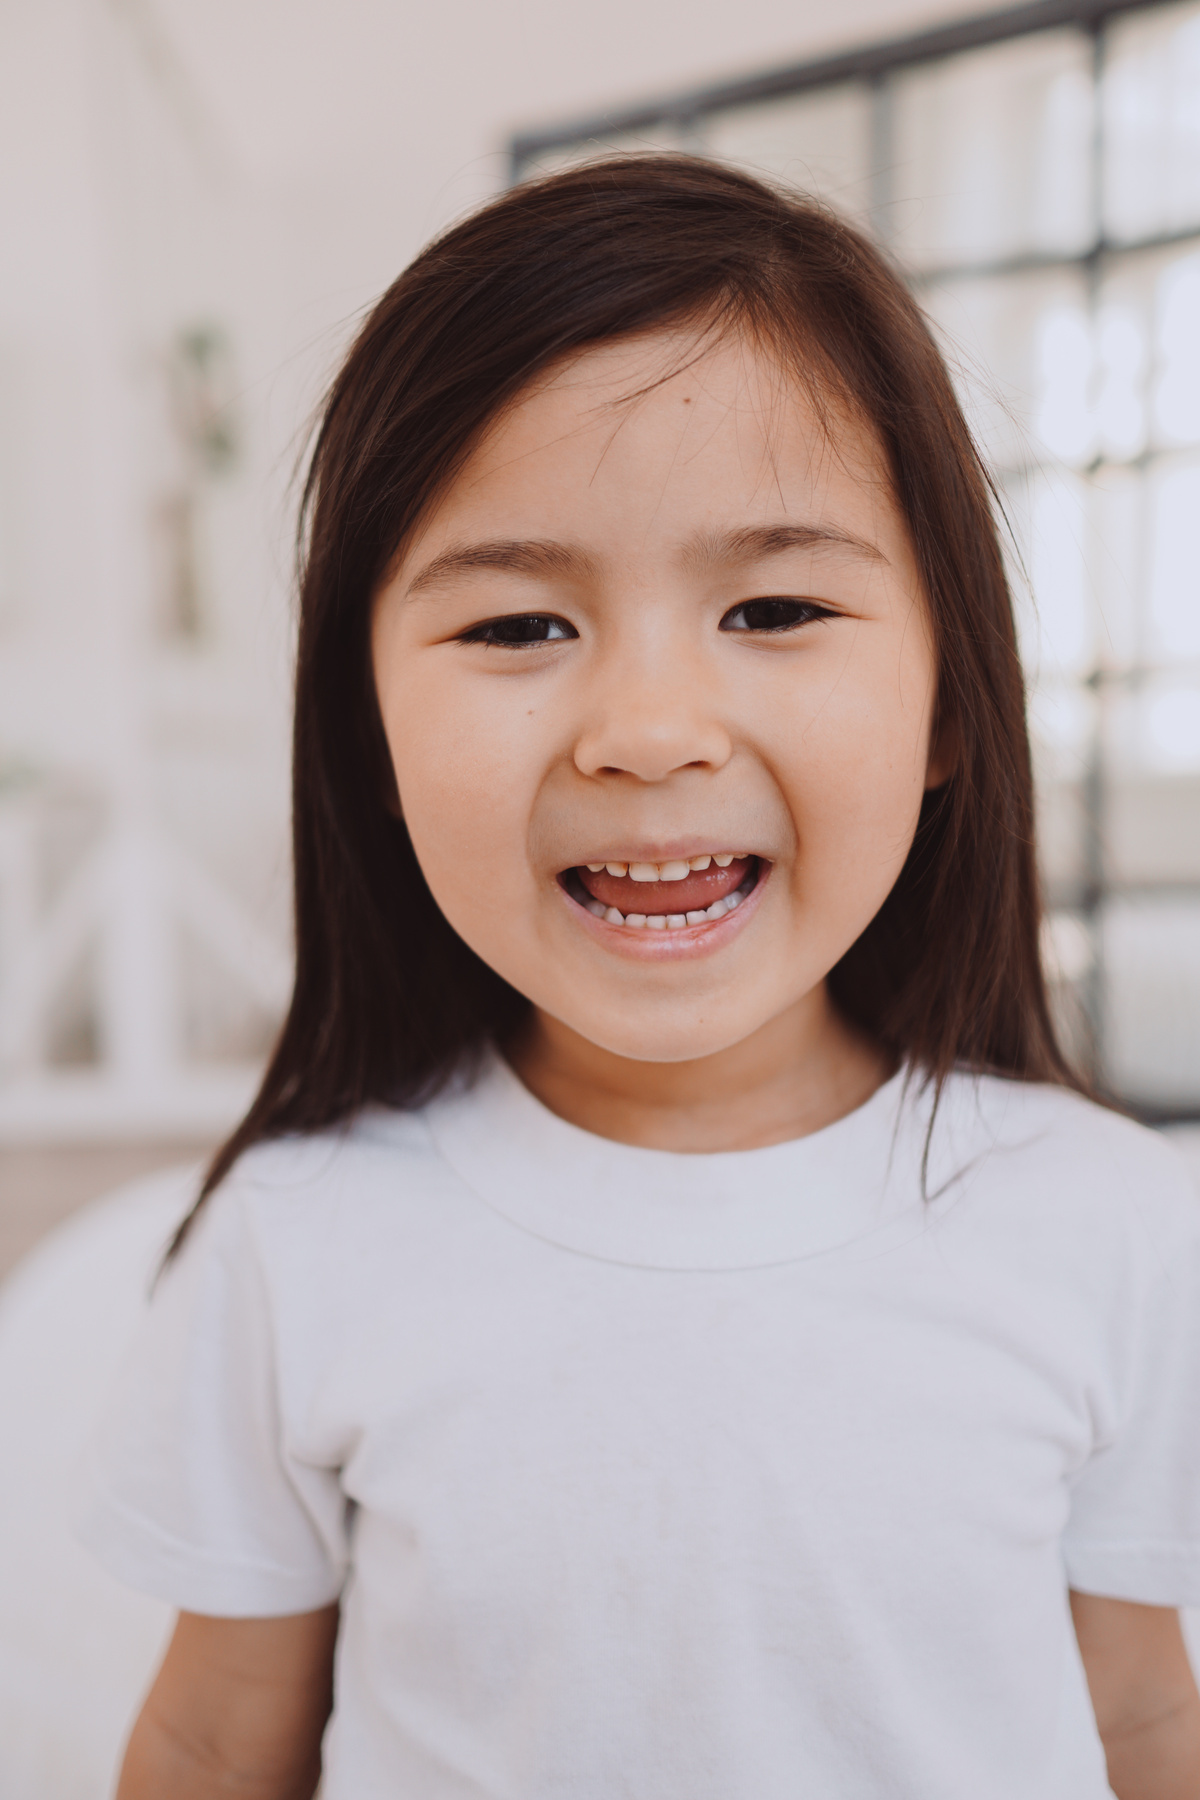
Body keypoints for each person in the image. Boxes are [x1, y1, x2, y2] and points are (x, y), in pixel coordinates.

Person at [81, 157, 1200, 1799]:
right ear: (367, 736)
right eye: (521, 629)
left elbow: (1141, 1720)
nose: (649, 731)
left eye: (774, 605)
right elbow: (208, 1735)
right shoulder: (299, 1246)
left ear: (954, 704)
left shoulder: (1105, 1223)